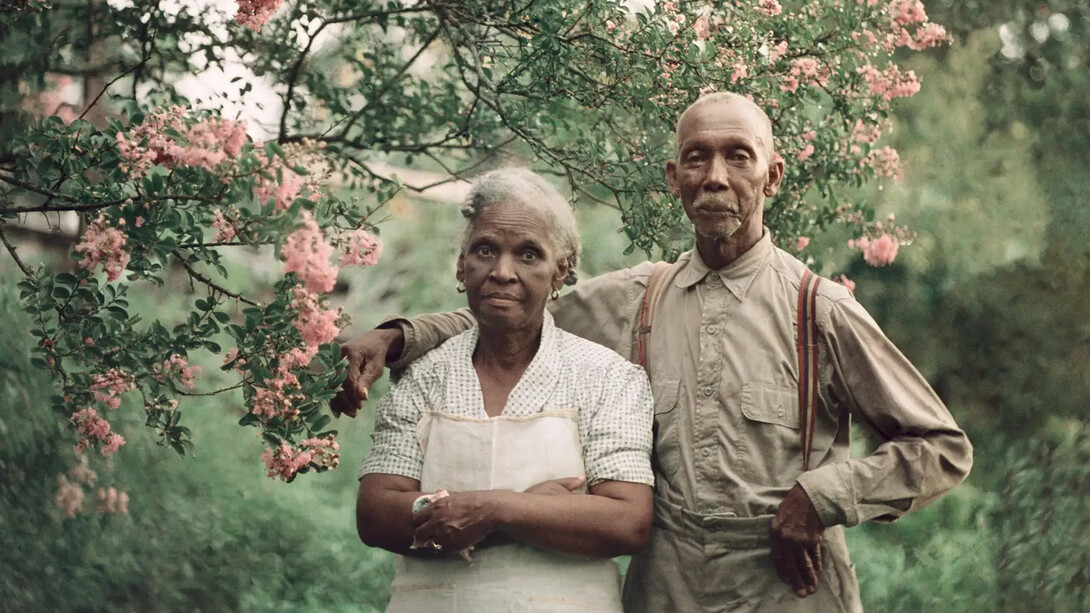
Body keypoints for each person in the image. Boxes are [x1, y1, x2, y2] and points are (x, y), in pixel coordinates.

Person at [339, 93, 973, 612]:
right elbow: (513, 308)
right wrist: (397, 337)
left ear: (772, 176)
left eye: (738, 156)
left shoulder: (819, 310)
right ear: (675, 179)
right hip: (665, 589)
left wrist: (821, 497)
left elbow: (941, 448)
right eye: (697, 158)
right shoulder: (637, 298)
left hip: (790, 588)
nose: (715, 176)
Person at [354, 168, 655, 612]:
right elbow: (376, 514)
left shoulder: (606, 377)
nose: (502, 272)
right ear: (462, 265)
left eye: (529, 254)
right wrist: (528, 512)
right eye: (485, 250)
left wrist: (493, 511)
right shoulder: (425, 377)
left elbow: (627, 521)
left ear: (559, 273)